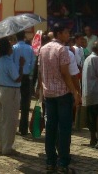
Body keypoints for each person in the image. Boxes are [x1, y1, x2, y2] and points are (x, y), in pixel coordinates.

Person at [39, 22, 81, 174]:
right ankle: (63, 163)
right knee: (64, 129)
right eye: (65, 32)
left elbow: (40, 72)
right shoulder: (62, 49)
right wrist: (75, 92)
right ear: (58, 34)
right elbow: (65, 73)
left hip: (48, 93)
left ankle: (50, 161)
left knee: (50, 128)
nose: (68, 35)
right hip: (62, 94)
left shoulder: (43, 49)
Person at [0, 37, 24, 156]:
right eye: (10, 47)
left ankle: (3, 146)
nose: (12, 48)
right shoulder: (8, 62)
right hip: (10, 91)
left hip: (0, 90)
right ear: (7, 49)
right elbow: (17, 78)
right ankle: (7, 148)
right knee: (10, 121)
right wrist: (21, 66)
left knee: (2, 121)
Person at [12, 31, 35, 136]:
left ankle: (14, 126)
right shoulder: (29, 48)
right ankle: (24, 128)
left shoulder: (13, 48)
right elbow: (33, 63)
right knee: (26, 103)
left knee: (15, 103)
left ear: (16, 37)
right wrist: (30, 74)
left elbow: (11, 62)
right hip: (26, 77)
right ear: (24, 36)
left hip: (15, 77)